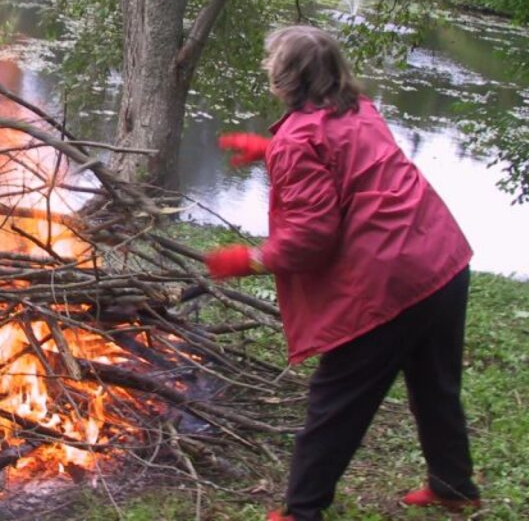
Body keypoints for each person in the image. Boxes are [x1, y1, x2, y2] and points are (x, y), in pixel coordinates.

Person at [200, 26, 480, 521]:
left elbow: (311, 236)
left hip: (389, 283)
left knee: (337, 401)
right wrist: (269, 150)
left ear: (287, 77)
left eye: (272, 63)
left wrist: (250, 259)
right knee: (435, 383)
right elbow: (342, 159)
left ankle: (300, 511)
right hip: (442, 258)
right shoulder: (360, 109)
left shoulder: (299, 139)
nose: (268, 69)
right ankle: (453, 484)